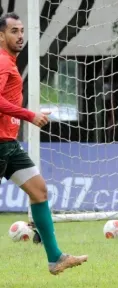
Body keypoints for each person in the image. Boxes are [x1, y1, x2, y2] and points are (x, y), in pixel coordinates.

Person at [0, 13, 88, 274]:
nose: (20, 36)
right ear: (1, 35)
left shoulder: (10, 62)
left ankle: (55, 258)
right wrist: (30, 115)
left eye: (21, 30)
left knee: (39, 191)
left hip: (9, 145)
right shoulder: (3, 63)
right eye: (14, 31)